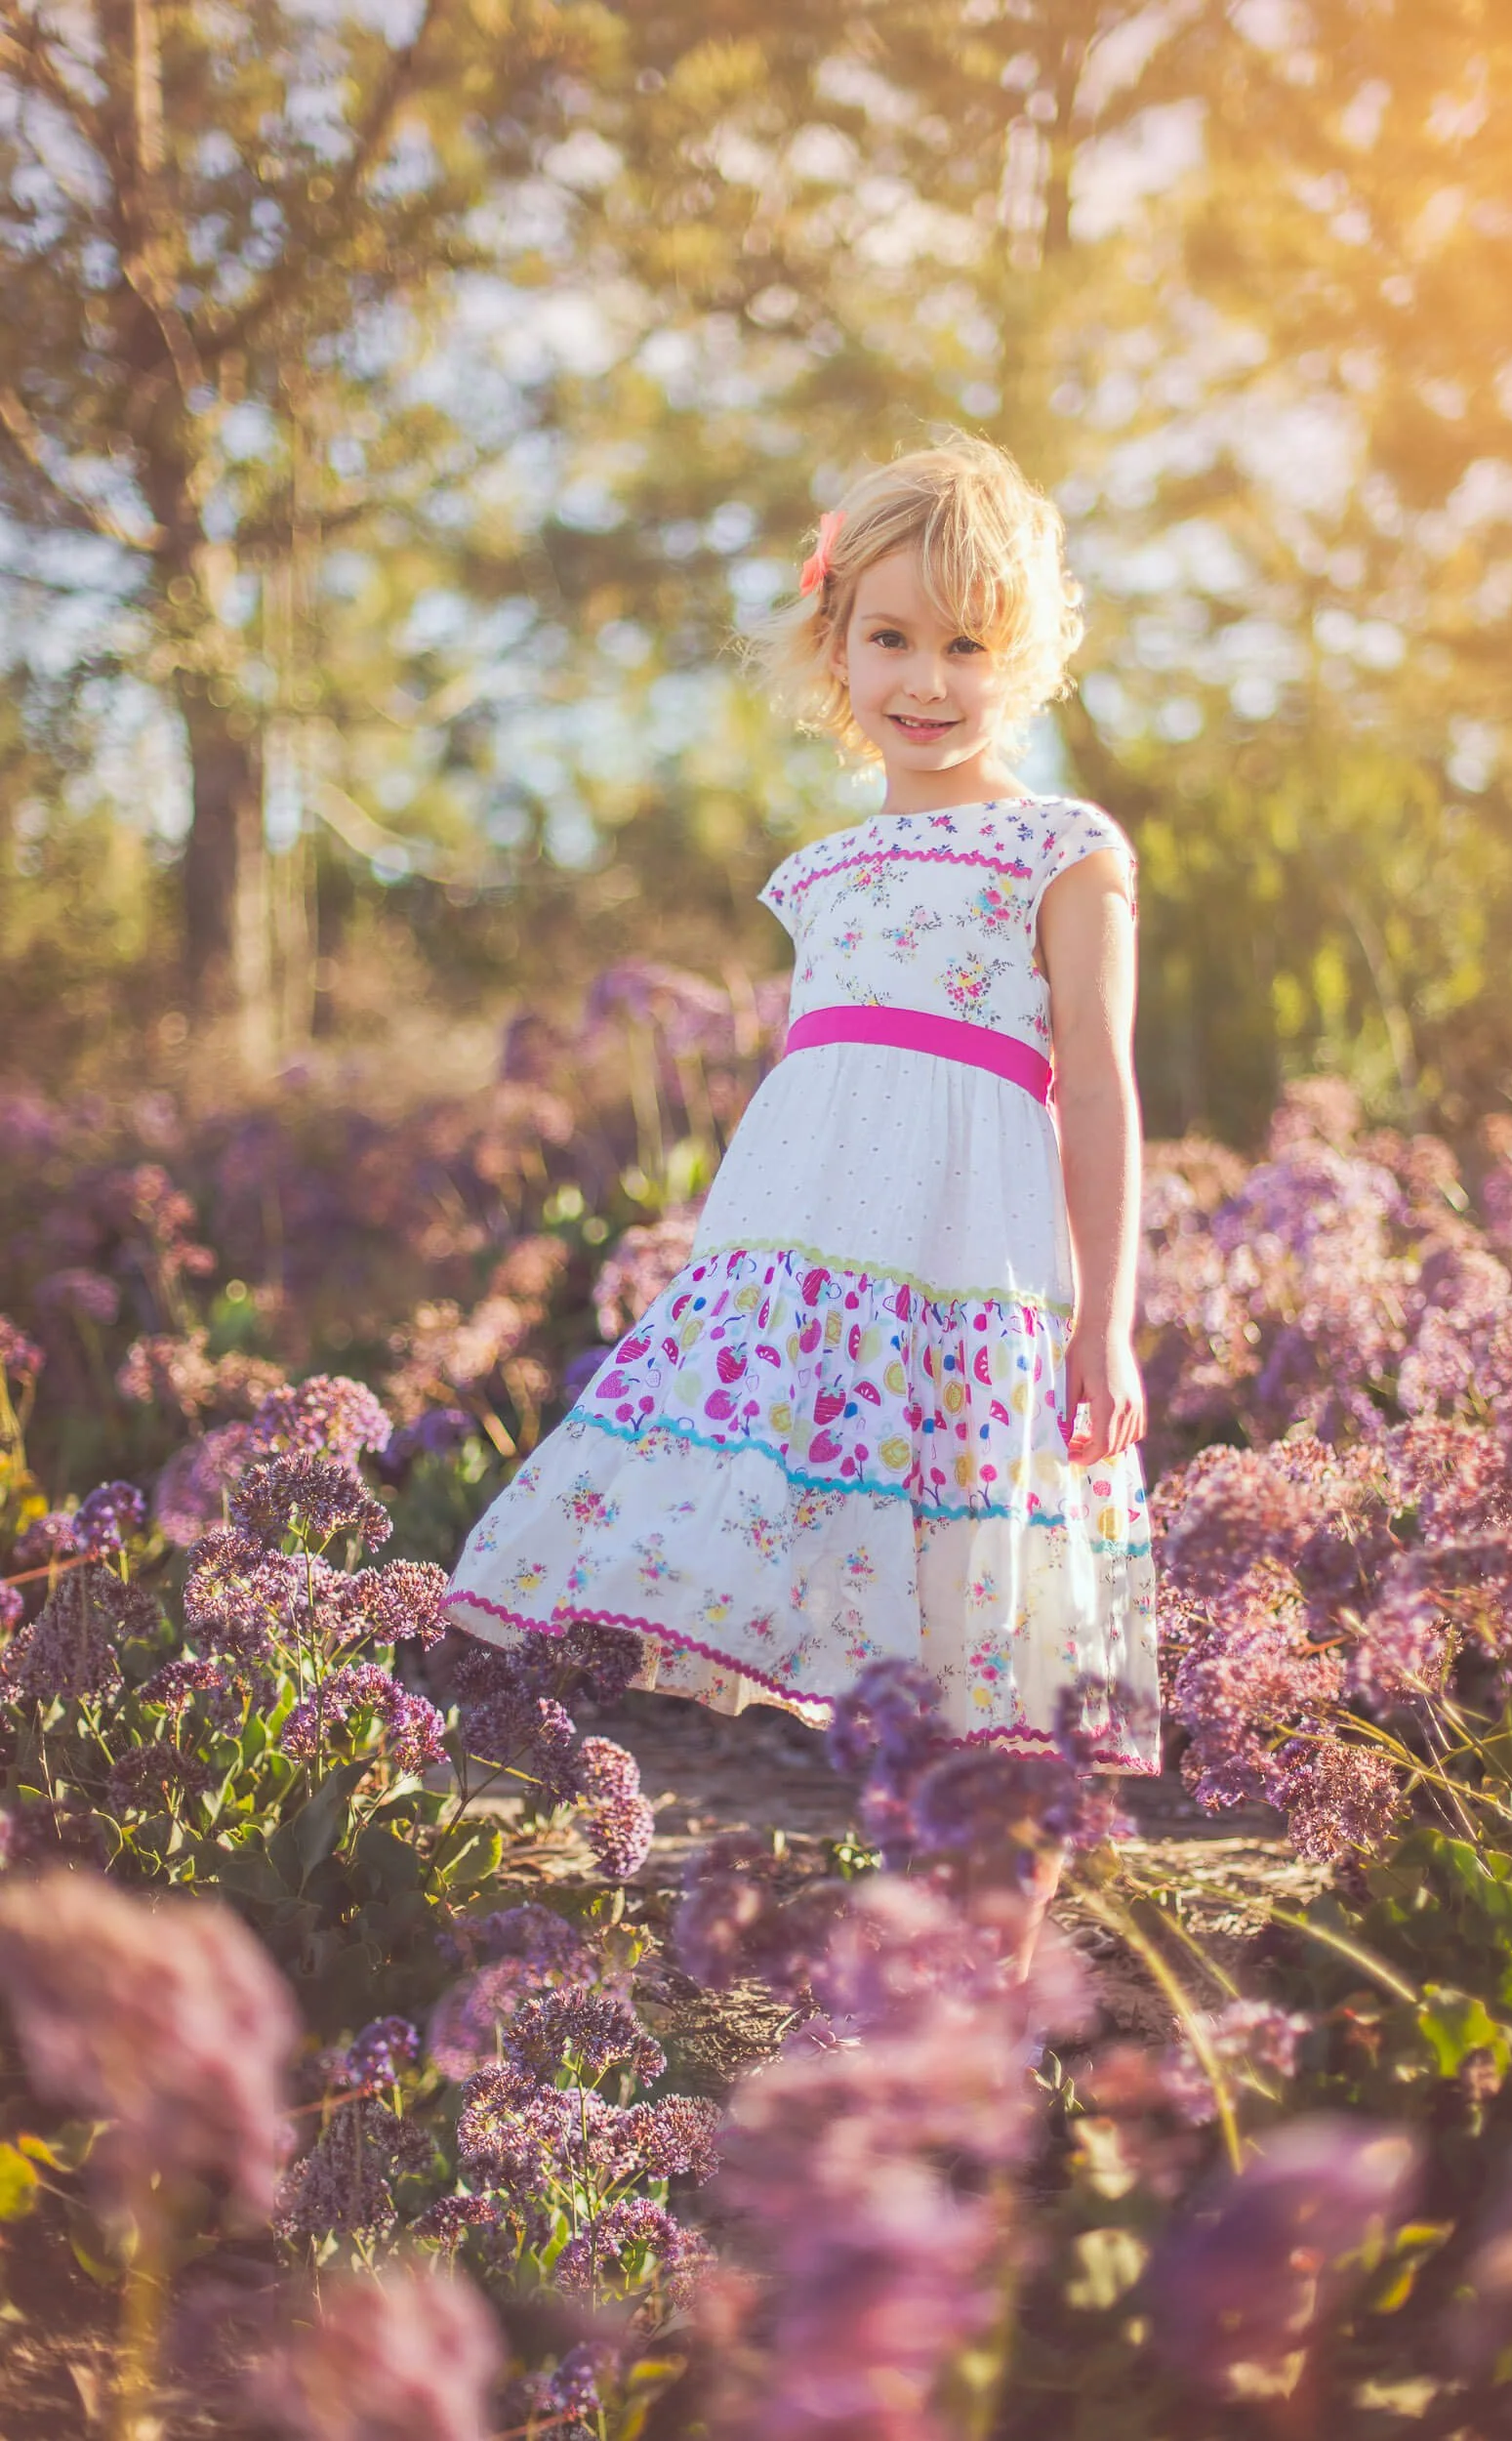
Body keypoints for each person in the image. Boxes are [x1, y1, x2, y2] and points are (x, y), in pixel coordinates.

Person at [442, 434, 1159, 1818]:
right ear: (834, 646)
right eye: (890, 638)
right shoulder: (824, 875)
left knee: (984, 1643)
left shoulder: (1059, 848)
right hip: (806, 1287)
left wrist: (1105, 1320)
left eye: (968, 644)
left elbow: (1101, 1087)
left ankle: (1002, 1956)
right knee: (834, 1602)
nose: (928, 681)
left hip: (972, 1286)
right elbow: (828, 1101)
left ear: (1027, 657)